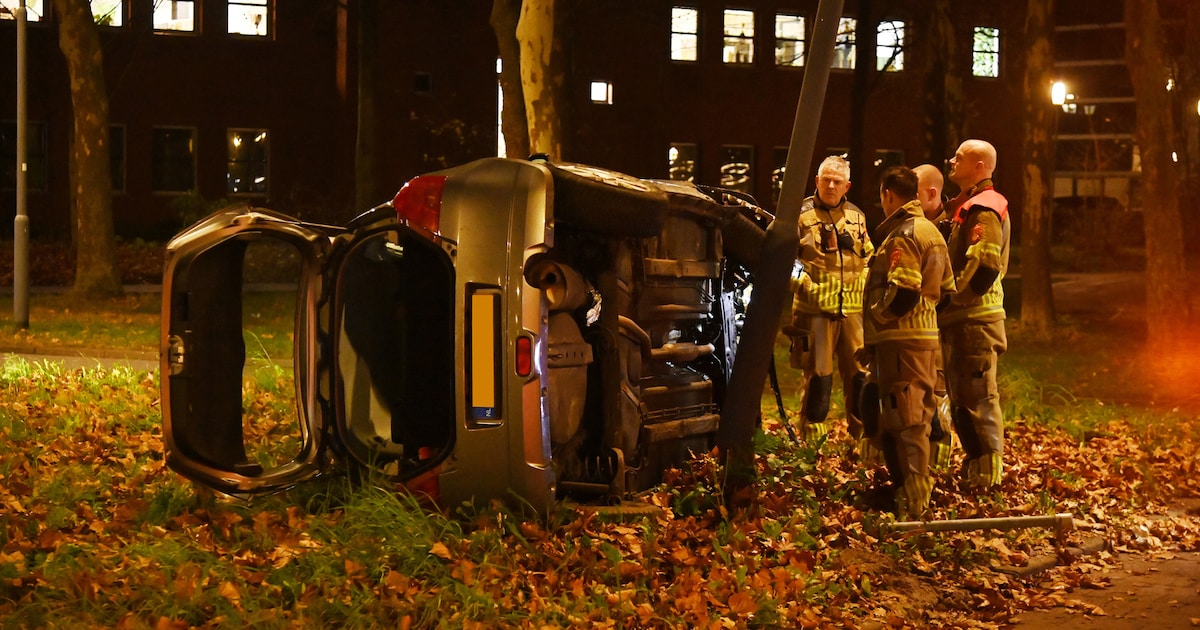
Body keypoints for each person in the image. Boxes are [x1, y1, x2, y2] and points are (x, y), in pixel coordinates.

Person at [860, 165, 954, 518]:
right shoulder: (932, 230)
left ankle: (913, 495)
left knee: (906, 418)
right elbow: (945, 293)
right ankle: (909, 489)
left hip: (901, 341)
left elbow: (903, 292)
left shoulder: (902, 234)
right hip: (925, 338)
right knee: (918, 411)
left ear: (887, 194)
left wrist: (878, 318)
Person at [785, 155, 874, 442]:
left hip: (852, 314)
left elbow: (869, 257)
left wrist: (866, 283)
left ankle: (861, 440)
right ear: (817, 181)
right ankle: (813, 445)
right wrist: (804, 285)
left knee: (860, 378)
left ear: (847, 186)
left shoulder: (857, 218)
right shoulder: (799, 216)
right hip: (814, 313)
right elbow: (783, 263)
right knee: (818, 381)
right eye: (827, 180)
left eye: (838, 182)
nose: (831, 186)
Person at [940, 139, 1011, 489]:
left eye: (960, 157)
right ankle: (978, 468)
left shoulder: (984, 208)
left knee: (977, 395)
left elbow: (984, 265)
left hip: (975, 320)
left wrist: (953, 300)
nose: (951, 160)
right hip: (966, 320)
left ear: (980, 166)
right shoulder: (965, 206)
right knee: (963, 396)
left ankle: (988, 472)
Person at [913, 163, 954, 469]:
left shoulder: (951, 227)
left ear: (930, 193)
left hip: (941, 325)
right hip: (918, 327)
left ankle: (939, 462)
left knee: (939, 392)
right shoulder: (911, 226)